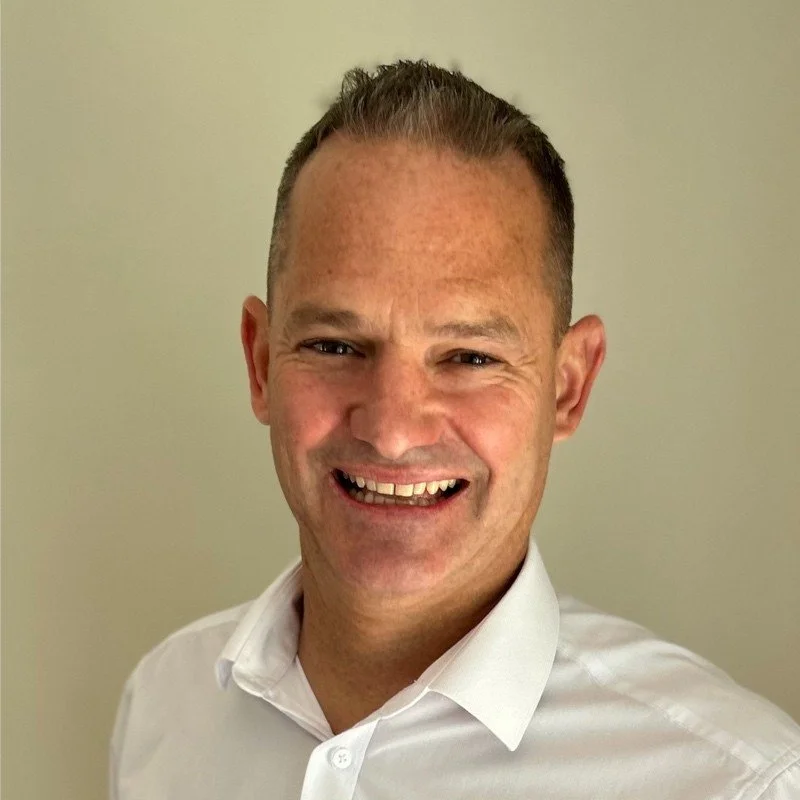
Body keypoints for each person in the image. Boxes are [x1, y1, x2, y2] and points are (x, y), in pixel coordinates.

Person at [110, 60, 800, 799]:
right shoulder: (164, 704)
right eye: (335, 346)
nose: (393, 431)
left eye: (470, 357)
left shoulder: (738, 783)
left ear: (568, 388)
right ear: (259, 363)